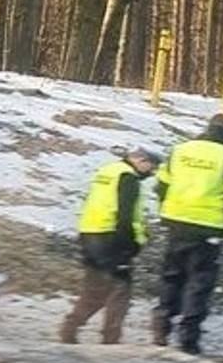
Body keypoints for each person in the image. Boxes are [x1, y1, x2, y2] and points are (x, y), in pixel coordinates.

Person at [152, 114, 223, 355]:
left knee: (172, 275)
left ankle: (162, 323)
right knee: (199, 282)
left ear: (207, 127)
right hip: (208, 230)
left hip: (176, 224)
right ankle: (188, 337)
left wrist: (168, 211)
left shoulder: (180, 150)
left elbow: (161, 186)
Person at [59, 147, 162, 344]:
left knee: (95, 287)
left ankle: (70, 328)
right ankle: (111, 338)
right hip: (111, 237)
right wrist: (130, 244)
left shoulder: (107, 171)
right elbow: (125, 215)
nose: (151, 173)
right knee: (120, 288)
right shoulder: (128, 177)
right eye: (152, 167)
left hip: (89, 232)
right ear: (141, 161)